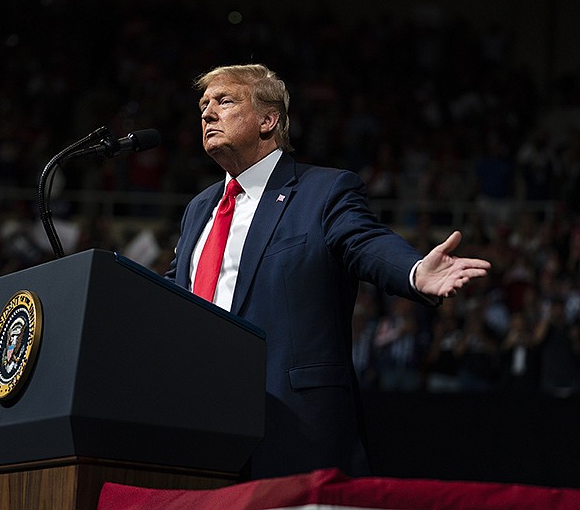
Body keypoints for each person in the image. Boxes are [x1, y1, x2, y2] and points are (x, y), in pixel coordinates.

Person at [164, 64, 491, 480]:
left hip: (290, 423)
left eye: (224, 101)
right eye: (203, 105)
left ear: (269, 120)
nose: (207, 113)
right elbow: (172, 296)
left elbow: (364, 241)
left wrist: (412, 270)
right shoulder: (198, 209)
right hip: (203, 421)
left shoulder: (323, 191)